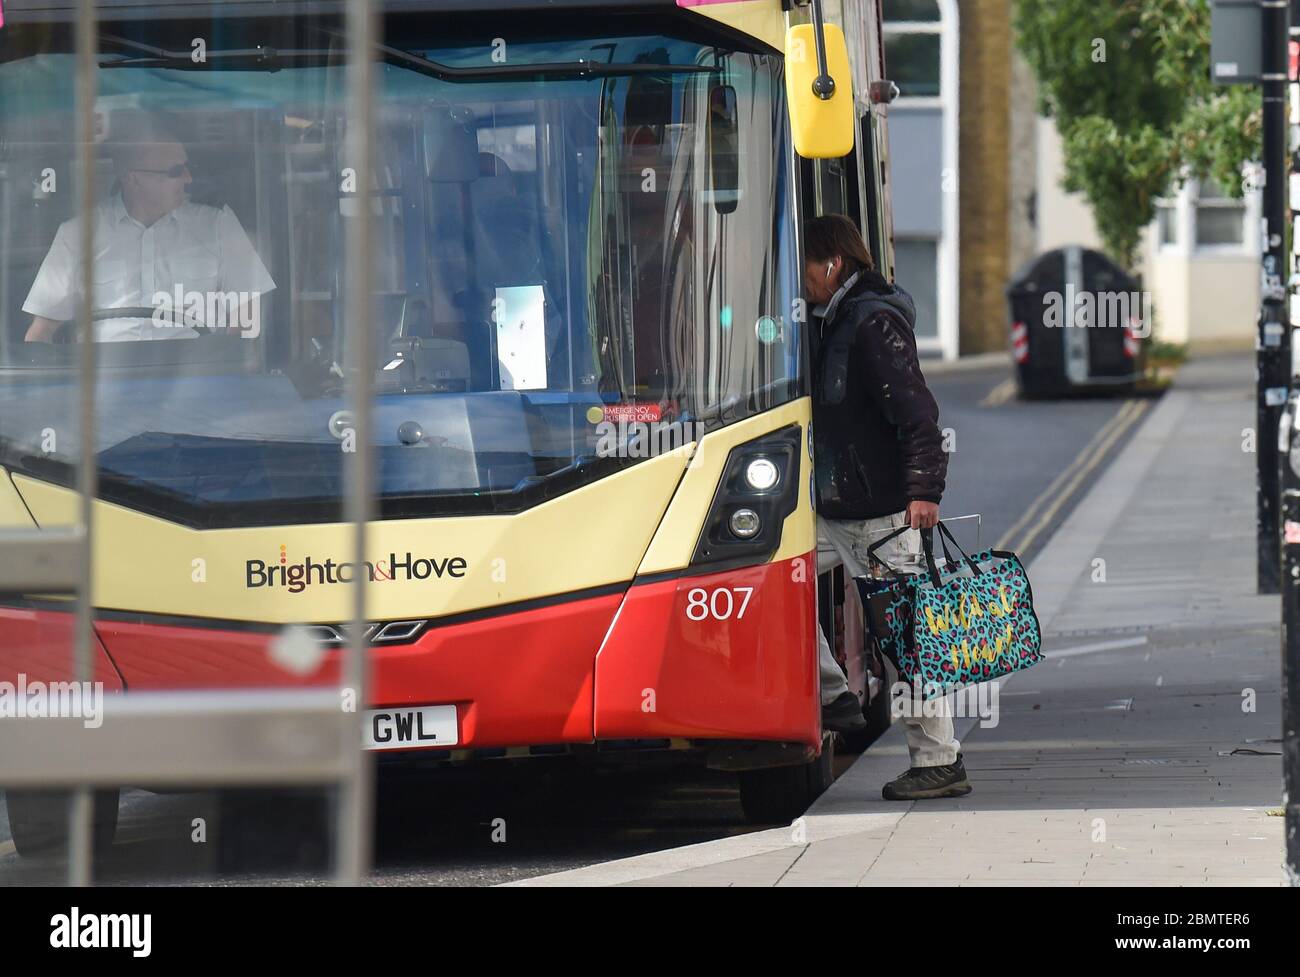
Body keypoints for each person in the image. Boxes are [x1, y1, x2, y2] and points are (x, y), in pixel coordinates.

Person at [805, 214, 971, 801]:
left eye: (805, 266)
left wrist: (924, 493)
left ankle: (939, 761)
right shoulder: (839, 319)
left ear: (833, 264)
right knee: (771, 585)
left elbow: (918, 415)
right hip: (838, 508)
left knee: (905, 639)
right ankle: (835, 695)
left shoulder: (873, 323)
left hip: (880, 516)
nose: (799, 281)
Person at [23, 114, 275, 343]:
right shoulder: (76, 235)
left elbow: (247, 318)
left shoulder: (218, 224)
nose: (188, 179)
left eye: (187, 167)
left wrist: (231, 372)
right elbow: (41, 331)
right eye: (176, 171)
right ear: (134, 179)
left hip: (197, 378)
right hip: (103, 385)